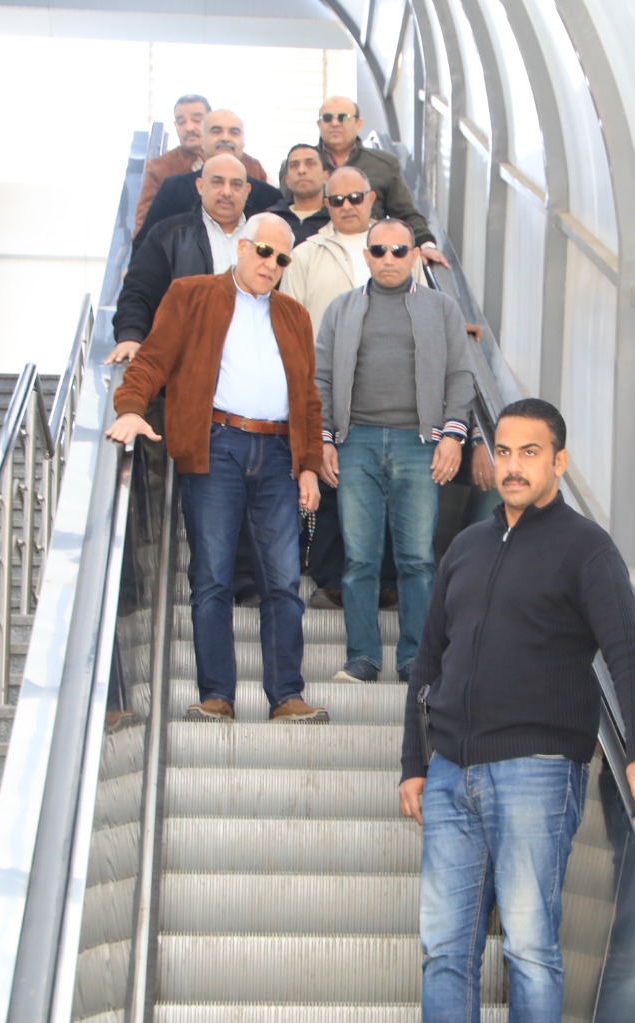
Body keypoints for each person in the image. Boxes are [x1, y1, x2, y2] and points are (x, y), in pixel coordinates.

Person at [397, 398, 635, 1023]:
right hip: (450, 774)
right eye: (503, 451)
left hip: (537, 770)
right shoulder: (466, 547)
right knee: (444, 952)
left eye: (530, 453)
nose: (513, 466)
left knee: (529, 951)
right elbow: (427, 662)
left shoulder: (587, 549)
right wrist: (415, 763)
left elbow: (628, 653)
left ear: (559, 461)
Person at [107, 214, 327, 725]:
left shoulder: (295, 315)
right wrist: (130, 408)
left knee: (283, 580)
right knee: (211, 576)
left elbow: (308, 398)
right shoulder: (191, 294)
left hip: (279, 453)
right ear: (241, 247)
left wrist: (310, 467)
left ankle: (286, 696)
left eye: (282, 258)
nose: (271, 264)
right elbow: (153, 361)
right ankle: (216, 697)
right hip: (216, 445)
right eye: (263, 251)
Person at [314, 218, 473, 683]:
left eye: (399, 250)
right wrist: (324, 438)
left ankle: (415, 660)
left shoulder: (441, 309)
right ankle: (362, 657)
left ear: (415, 256)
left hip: (419, 443)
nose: (389, 259)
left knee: (417, 559)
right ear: (366, 256)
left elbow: (460, 375)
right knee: (359, 558)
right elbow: (321, 378)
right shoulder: (341, 308)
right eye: (379, 250)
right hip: (356, 441)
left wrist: (453, 435)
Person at [281, 166, 411, 610]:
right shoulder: (306, 254)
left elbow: (426, 308)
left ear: (371, 199)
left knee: (389, 483)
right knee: (331, 479)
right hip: (327, 382)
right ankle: (332, 578)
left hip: (390, 389)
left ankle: (388, 581)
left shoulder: (397, 247)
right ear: (326, 204)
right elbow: (289, 320)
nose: (347, 206)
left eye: (355, 197)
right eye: (336, 200)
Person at [108, 153, 254, 365]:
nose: (226, 191)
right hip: (184, 364)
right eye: (217, 182)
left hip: (249, 361)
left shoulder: (264, 238)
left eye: (236, 184)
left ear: (247, 191)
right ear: (200, 186)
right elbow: (138, 290)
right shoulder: (168, 235)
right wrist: (130, 336)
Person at [313, 96, 447, 267]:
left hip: (370, 256)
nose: (334, 123)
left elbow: (405, 213)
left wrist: (425, 244)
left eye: (343, 117)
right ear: (319, 124)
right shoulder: (299, 166)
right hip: (317, 256)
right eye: (327, 118)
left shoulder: (383, 164)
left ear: (359, 124)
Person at [134, 110, 281, 248]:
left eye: (234, 132)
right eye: (216, 131)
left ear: (243, 142)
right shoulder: (173, 189)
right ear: (203, 141)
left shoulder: (268, 197)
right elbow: (145, 246)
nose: (225, 138)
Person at [269, 143, 330, 246]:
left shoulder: (335, 219)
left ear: (326, 176)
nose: (301, 170)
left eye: (310, 164)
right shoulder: (271, 218)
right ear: (287, 180)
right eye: (294, 165)